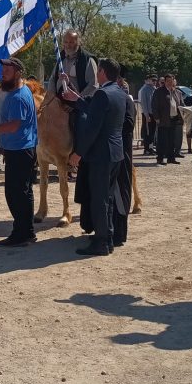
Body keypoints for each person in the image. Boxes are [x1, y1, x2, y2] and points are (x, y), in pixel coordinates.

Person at [64, 58, 126, 255]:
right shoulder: (119, 92)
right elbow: (98, 112)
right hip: (115, 152)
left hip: (100, 155)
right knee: (106, 198)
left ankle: (100, 243)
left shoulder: (101, 94)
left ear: (102, 73)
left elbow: (92, 127)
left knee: (99, 200)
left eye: (98, 71)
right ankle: (106, 237)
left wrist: (78, 154)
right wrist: (78, 99)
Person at [0, 57, 38, 247]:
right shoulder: (16, 91)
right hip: (19, 149)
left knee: (17, 194)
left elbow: (13, 126)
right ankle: (24, 232)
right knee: (20, 193)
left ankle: (23, 234)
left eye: (7, 72)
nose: (3, 75)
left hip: (21, 151)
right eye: (3, 72)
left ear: (18, 73)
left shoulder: (19, 96)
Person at [113, 75, 137, 248]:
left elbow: (128, 126)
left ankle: (119, 234)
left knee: (120, 194)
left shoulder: (126, 101)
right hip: (112, 153)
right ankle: (110, 229)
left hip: (121, 153)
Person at [48, 29, 98, 97]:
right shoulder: (60, 58)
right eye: (66, 42)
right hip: (59, 103)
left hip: (77, 104)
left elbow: (93, 85)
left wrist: (78, 100)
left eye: (71, 42)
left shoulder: (87, 60)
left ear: (78, 43)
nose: (68, 45)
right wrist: (52, 97)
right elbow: (52, 79)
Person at [151, 74, 182, 165]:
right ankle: (160, 158)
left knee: (172, 140)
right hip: (163, 119)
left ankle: (171, 158)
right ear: (165, 81)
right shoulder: (159, 91)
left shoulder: (177, 92)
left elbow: (181, 104)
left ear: (173, 81)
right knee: (162, 140)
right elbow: (154, 105)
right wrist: (156, 117)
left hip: (174, 119)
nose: (169, 82)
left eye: (171, 80)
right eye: (167, 81)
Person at [137, 75, 157, 155]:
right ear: (148, 80)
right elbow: (144, 103)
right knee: (147, 132)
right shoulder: (144, 89)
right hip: (147, 114)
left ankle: (151, 147)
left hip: (153, 114)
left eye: (155, 80)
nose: (154, 81)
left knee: (152, 132)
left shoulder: (154, 89)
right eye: (153, 80)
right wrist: (146, 115)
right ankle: (146, 148)